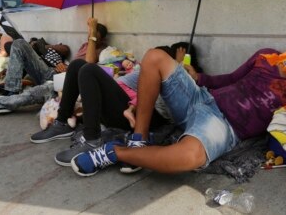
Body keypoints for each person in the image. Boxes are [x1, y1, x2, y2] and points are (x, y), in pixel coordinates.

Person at [70, 26, 286, 176]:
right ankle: (138, 139)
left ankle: (116, 153)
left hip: (224, 125)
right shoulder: (270, 55)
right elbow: (231, 78)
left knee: (188, 158)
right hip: (202, 99)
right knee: (155, 57)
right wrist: (199, 78)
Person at [29, 44, 195, 171]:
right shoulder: (143, 70)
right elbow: (120, 84)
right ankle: (62, 122)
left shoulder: (180, 81)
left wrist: (181, 64)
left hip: (147, 120)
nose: (149, 62)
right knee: (77, 65)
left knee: (89, 70)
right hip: (123, 110)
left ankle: (92, 140)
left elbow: (163, 105)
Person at [0, 18, 108, 116]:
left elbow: (89, 62)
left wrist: (93, 31)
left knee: (35, 93)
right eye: (88, 34)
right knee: (19, 43)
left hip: (64, 85)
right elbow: (68, 53)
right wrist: (64, 65)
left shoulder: (103, 50)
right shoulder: (84, 45)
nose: (88, 37)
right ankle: (11, 91)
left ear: (97, 37)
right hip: (52, 73)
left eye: (91, 35)